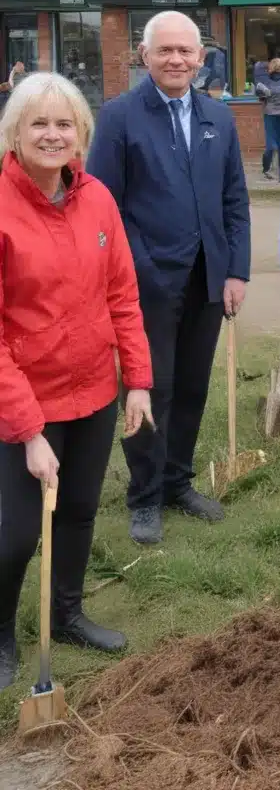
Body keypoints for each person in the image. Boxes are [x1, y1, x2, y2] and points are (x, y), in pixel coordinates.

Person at [0, 73, 154, 687]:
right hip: (21, 400)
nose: (52, 134)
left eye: (65, 124)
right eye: (39, 123)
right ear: (15, 132)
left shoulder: (97, 201)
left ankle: (66, 612)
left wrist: (137, 379)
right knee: (15, 530)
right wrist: (29, 430)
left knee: (80, 510)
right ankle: (2, 633)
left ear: (81, 135)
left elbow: (122, 295)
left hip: (93, 392)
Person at [87, 11, 251, 546]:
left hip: (208, 280)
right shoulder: (118, 118)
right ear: (145, 55)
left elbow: (234, 200)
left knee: (193, 387)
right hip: (146, 283)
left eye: (186, 51)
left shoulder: (218, 118)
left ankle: (178, 481)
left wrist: (236, 271)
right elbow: (103, 207)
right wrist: (141, 269)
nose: (176, 60)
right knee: (148, 390)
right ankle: (145, 496)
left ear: (201, 58)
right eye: (166, 51)